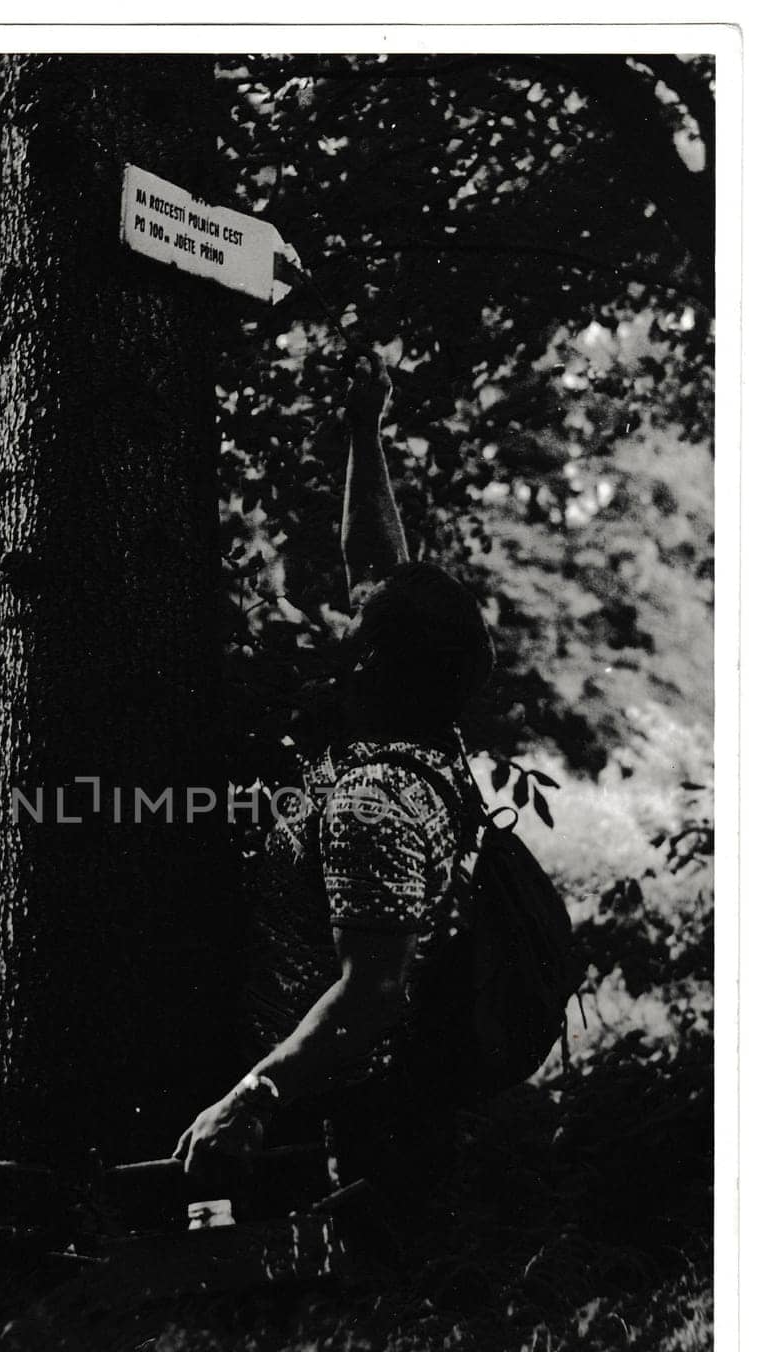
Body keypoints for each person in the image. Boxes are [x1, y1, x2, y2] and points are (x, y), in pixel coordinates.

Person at [172, 351, 496, 1227]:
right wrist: (364, 430)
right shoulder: (430, 736)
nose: (339, 614)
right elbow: (376, 568)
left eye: (356, 621)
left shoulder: (370, 803)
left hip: (334, 1129)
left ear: (375, 659)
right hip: (340, 1109)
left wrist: (251, 1095)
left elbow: (372, 992)